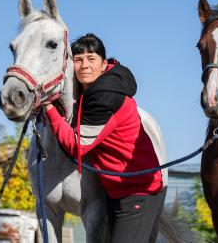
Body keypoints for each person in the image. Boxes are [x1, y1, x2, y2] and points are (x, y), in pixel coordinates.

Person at [44, 33, 167, 242]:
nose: (84, 65)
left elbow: (76, 146)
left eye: (91, 59)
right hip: (116, 191)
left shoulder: (105, 98)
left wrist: (48, 108)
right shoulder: (92, 90)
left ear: (103, 64)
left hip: (139, 190)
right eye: (78, 60)